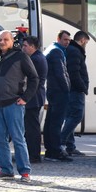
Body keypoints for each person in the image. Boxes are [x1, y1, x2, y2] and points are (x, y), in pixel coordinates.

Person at [0, 31, 39, 183]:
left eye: (6, 39)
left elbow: (34, 78)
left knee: (18, 139)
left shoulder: (20, 56)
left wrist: (25, 98)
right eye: (0, 39)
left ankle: (25, 172)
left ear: (12, 41)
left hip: (13, 103)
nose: (2, 42)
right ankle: (6, 170)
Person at [43, 30, 72, 162]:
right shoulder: (57, 51)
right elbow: (61, 73)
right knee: (56, 123)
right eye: (65, 39)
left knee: (50, 122)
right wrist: (67, 90)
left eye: (68, 40)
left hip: (52, 90)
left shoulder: (52, 48)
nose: (67, 42)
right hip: (59, 91)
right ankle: (54, 151)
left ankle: (51, 150)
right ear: (59, 38)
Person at [60, 30, 90, 157]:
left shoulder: (72, 50)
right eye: (86, 43)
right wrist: (83, 87)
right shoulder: (75, 51)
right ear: (82, 40)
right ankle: (60, 141)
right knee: (76, 116)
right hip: (75, 89)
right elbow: (74, 73)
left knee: (69, 117)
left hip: (72, 89)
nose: (85, 45)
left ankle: (70, 146)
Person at [21, 36, 47, 163]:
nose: (23, 48)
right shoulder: (38, 57)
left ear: (32, 46)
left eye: (25, 45)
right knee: (32, 127)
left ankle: (34, 155)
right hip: (36, 97)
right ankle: (33, 154)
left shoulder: (35, 59)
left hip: (33, 98)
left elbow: (32, 80)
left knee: (32, 128)